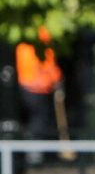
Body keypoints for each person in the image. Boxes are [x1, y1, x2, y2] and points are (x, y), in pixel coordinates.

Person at [15, 26, 63, 164]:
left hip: (26, 86)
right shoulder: (42, 45)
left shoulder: (23, 44)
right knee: (39, 121)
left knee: (33, 120)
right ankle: (35, 153)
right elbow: (48, 65)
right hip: (38, 88)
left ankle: (33, 152)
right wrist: (57, 79)